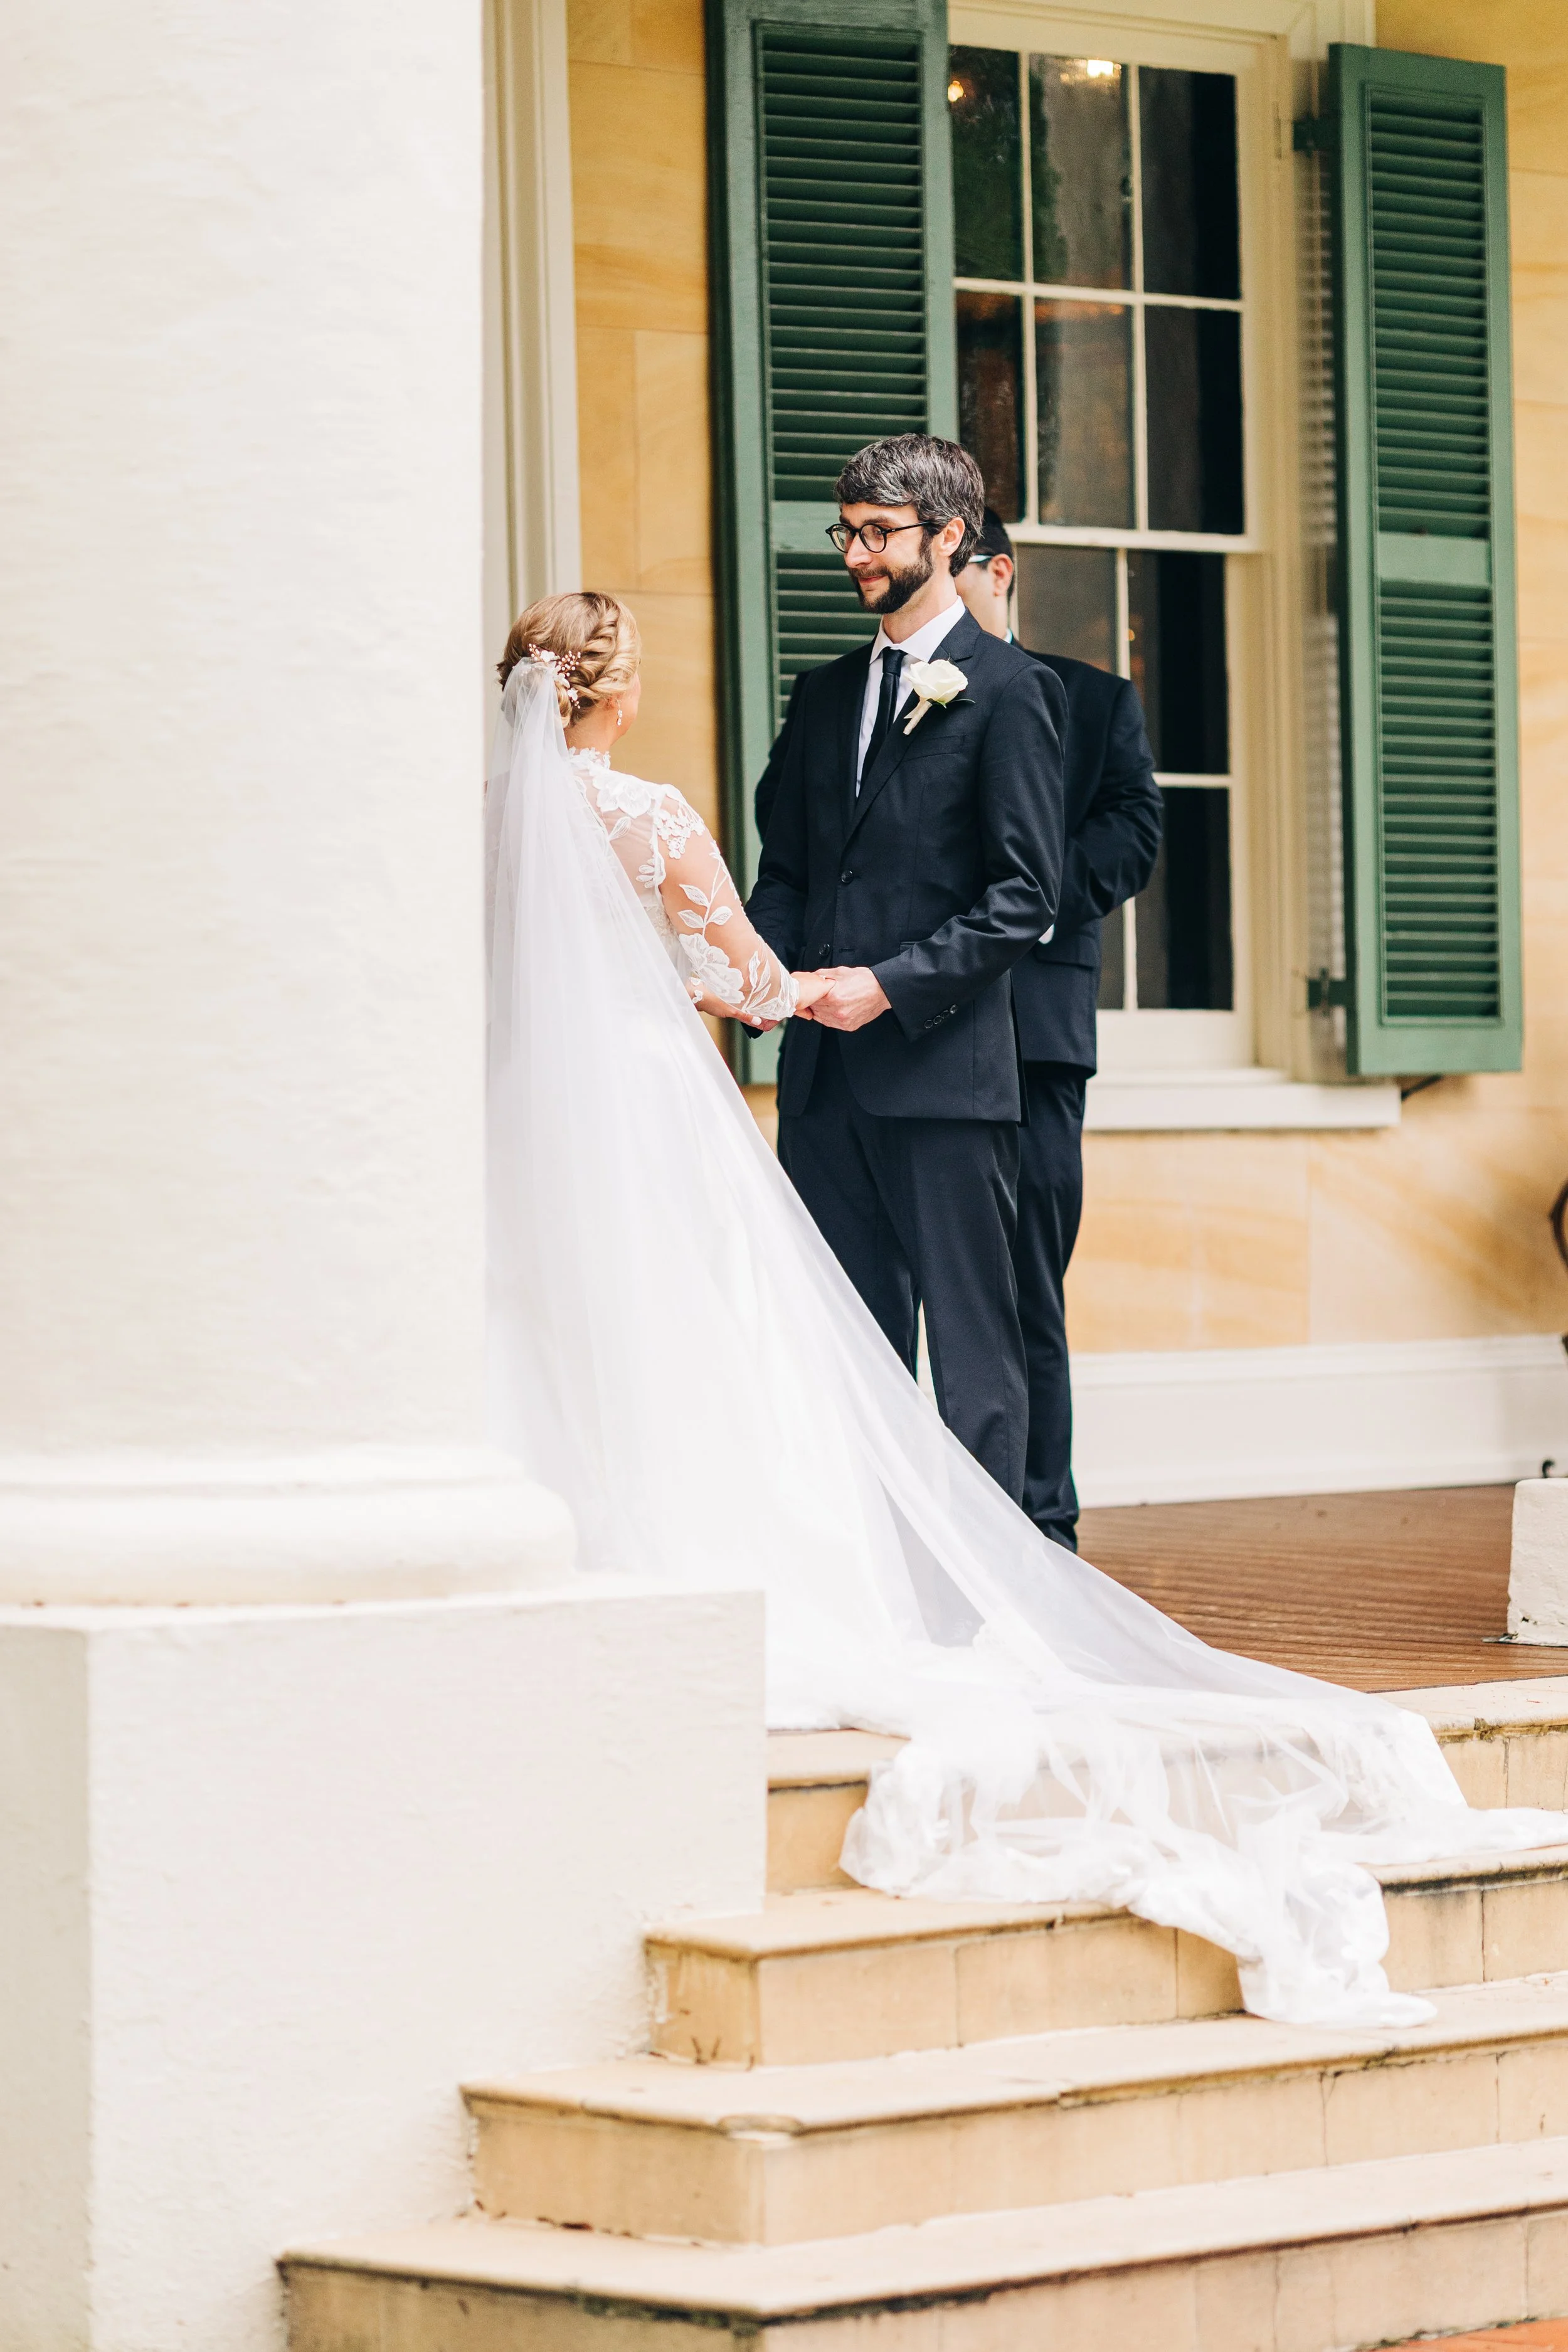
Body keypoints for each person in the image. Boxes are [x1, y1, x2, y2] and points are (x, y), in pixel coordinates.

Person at [484, 584, 1568, 2033]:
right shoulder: (648, 812)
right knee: (690, 1333)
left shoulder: (469, 814)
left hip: (508, 1119)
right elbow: (741, 972)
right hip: (640, 1100)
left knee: (545, 1325)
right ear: (610, 693)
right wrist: (785, 990)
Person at [748, 437, 1068, 1506]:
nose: (856, 553)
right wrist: (763, 974)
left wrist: (885, 984)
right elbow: (788, 868)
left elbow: (1026, 896)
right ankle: (875, 1591)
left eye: (879, 531)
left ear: (951, 535)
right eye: (849, 530)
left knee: (975, 1360)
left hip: (942, 1078)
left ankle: (991, 1608)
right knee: (846, 1353)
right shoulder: (825, 692)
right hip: (824, 1081)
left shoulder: (1014, 692)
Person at [956, 509, 1163, 1554]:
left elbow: (1134, 832)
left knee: (1027, 1277)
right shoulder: (869, 703)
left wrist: (1038, 896)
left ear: (999, 572)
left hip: (1036, 1031)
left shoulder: (1093, 698)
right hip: (915, 1035)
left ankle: (1041, 1528)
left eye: (957, 575)